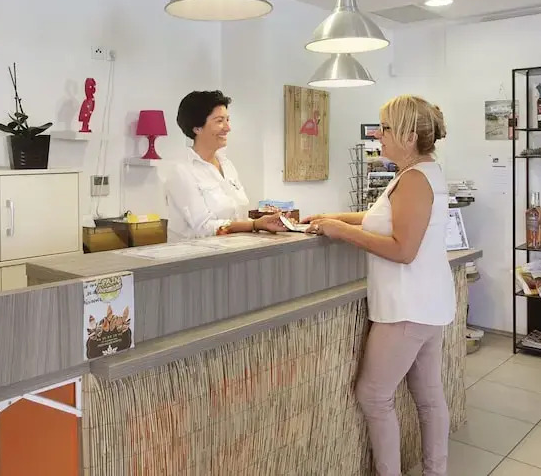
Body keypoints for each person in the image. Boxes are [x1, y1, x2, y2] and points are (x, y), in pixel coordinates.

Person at [305, 95, 453, 476]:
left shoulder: (414, 180)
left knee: (373, 395)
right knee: (428, 397)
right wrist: (336, 217)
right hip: (427, 303)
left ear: (408, 136)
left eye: (384, 128)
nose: (378, 135)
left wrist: (341, 232)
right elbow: (383, 218)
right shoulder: (420, 173)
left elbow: (403, 249)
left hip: (407, 308)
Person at [164, 90, 286, 241]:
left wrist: (264, 223)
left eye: (228, 120)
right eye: (219, 121)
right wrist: (254, 224)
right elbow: (203, 228)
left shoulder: (227, 165)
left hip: (232, 250)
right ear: (197, 128)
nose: (228, 128)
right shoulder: (181, 171)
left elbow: (237, 217)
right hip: (196, 254)